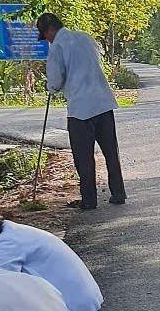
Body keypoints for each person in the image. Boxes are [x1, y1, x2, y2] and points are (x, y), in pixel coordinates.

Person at [36, 12, 126, 210]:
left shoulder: (57, 47)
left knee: (83, 157)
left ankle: (89, 200)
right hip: (103, 102)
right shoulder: (85, 37)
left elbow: (56, 81)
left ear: (50, 30)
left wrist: (51, 88)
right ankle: (118, 193)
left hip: (80, 109)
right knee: (111, 152)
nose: (47, 40)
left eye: (45, 35)